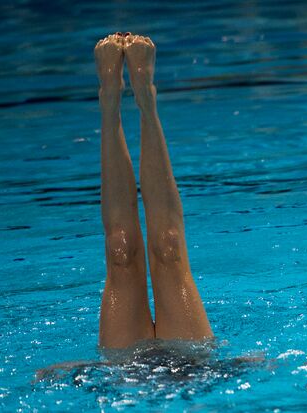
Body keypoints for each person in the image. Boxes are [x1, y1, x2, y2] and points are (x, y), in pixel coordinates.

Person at [94, 33, 212, 349]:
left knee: (153, 247)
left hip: (125, 370)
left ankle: (122, 101)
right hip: (193, 363)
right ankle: (129, 97)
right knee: (146, 248)